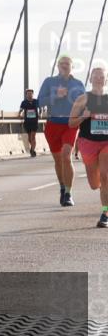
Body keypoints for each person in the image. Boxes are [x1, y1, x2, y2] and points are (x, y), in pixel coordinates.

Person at [37, 56, 86, 206]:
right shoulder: (49, 82)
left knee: (66, 155)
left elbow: (85, 104)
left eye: (67, 64)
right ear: (57, 66)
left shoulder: (78, 84)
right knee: (58, 160)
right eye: (62, 64)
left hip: (70, 124)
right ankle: (62, 188)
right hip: (53, 124)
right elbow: (39, 102)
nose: (64, 66)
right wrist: (55, 95)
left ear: (72, 67)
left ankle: (69, 194)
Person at [67, 66, 108, 228]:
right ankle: (103, 188)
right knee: (94, 184)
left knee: (105, 176)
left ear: (106, 80)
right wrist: (83, 117)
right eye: (95, 76)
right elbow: (71, 123)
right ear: (90, 79)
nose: (98, 78)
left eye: (101, 76)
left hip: (106, 143)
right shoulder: (82, 99)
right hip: (88, 143)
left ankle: (105, 213)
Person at [18, 89, 40, 157]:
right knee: (29, 138)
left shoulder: (36, 101)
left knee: (33, 137)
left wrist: (40, 113)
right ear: (26, 95)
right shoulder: (24, 102)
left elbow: (40, 108)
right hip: (27, 122)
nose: (30, 95)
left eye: (31, 93)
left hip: (34, 121)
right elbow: (21, 109)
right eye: (28, 94)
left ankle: (32, 150)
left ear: (33, 94)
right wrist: (19, 114)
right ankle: (32, 148)